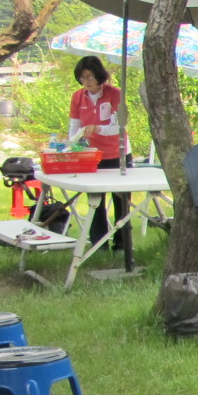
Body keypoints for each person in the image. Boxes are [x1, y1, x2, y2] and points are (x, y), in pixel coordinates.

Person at [66, 55, 130, 251]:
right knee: (95, 201)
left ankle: (122, 244)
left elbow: (119, 126)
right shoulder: (78, 96)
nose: (86, 82)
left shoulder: (115, 94)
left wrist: (97, 128)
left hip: (117, 153)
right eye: (82, 78)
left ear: (99, 76)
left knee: (121, 201)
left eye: (90, 77)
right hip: (92, 155)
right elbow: (74, 126)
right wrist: (73, 145)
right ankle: (99, 245)